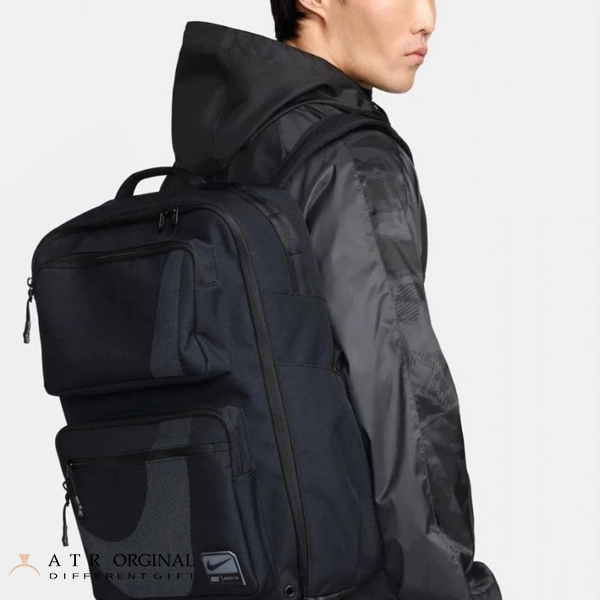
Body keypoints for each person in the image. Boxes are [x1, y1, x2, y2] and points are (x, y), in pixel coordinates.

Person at [161, 2, 502, 598]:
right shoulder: (349, 158)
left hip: (221, 558)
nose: (427, 18)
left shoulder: (218, 150)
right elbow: (399, 393)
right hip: (343, 573)